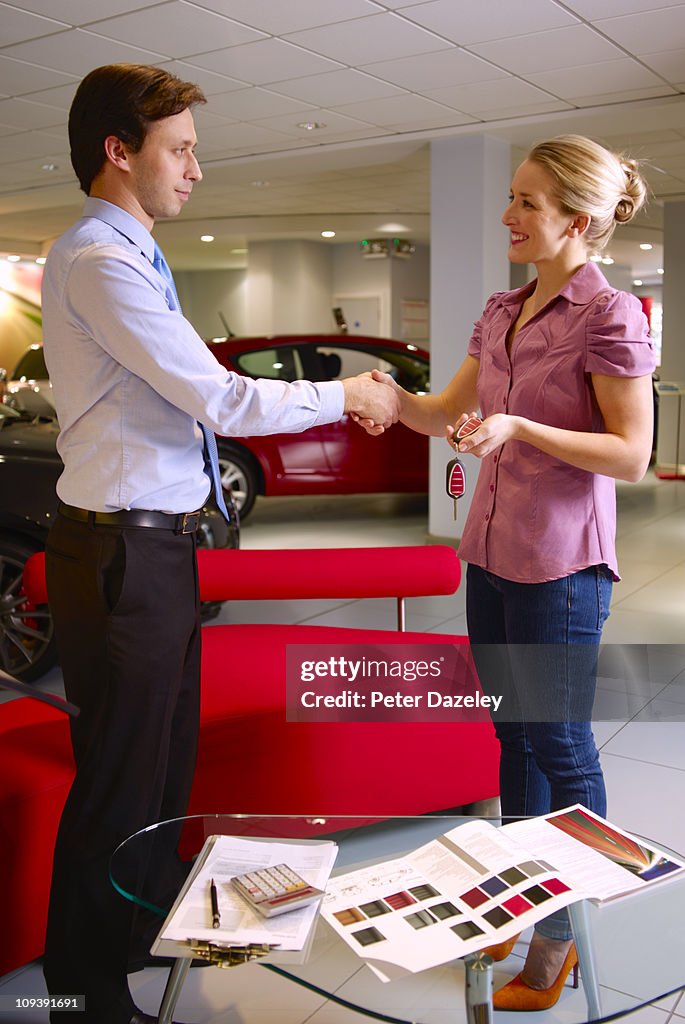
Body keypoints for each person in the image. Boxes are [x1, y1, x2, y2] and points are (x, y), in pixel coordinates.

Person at [41, 63, 398, 1024]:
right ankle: (81, 989)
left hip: (157, 549)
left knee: (163, 767)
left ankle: (137, 929)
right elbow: (218, 395)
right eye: (181, 149)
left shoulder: (134, 255)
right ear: (120, 152)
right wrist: (346, 393)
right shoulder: (101, 261)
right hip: (121, 555)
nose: (197, 168)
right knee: (120, 778)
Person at [364, 134, 656, 1009]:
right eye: (513, 199)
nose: (507, 217)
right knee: (511, 736)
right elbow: (443, 411)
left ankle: (563, 938)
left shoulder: (610, 318)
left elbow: (631, 455)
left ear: (580, 217)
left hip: (562, 571)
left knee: (558, 741)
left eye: (527, 202)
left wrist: (520, 429)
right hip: (490, 559)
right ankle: (520, 903)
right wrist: (382, 399)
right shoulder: (502, 311)